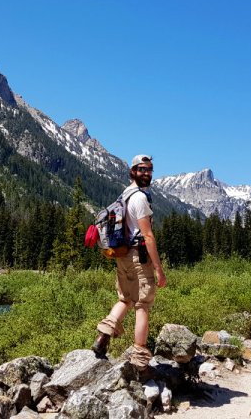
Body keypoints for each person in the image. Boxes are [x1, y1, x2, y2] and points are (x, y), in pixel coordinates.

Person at [92, 154, 167, 368]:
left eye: (150, 169)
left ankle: (103, 336)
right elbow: (148, 236)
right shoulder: (140, 198)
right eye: (142, 169)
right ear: (133, 171)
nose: (147, 173)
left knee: (125, 298)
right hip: (137, 255)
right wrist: (159, 270)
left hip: (122, 255)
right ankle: (140, 361)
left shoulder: (124, 194)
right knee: (143, 304)